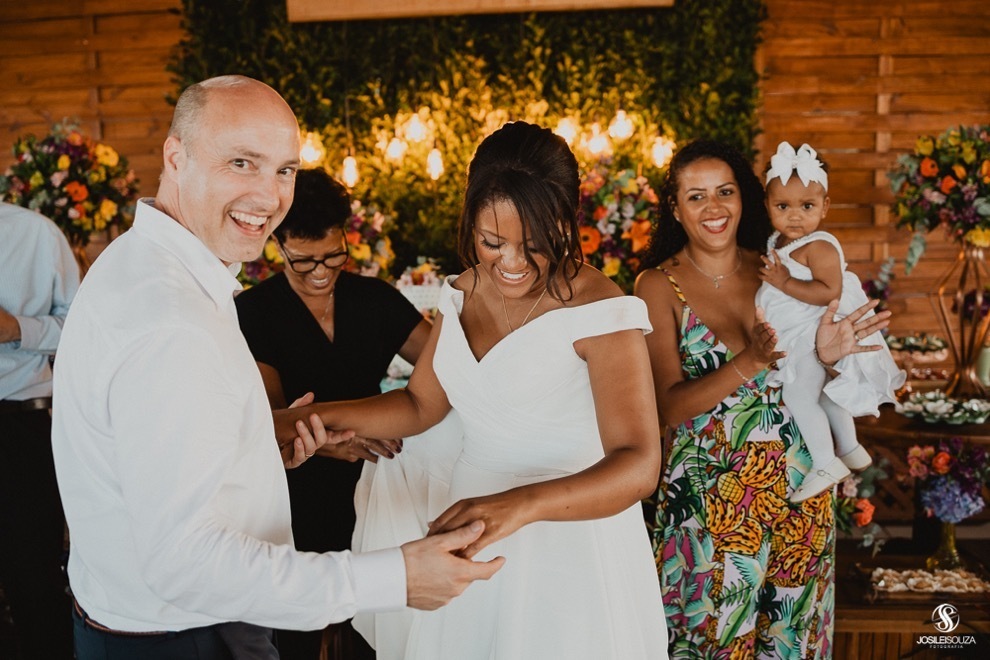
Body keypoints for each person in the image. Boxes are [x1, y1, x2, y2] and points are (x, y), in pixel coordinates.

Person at [50, 74, 502, 660]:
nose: (269, 196)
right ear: (175, 155)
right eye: (242, 162)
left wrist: (254, 449)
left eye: (284, 170)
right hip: (188, 634)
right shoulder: (171, 320)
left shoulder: (139, 264)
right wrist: (395, 579)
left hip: (142, 620)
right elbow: (184, 562)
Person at [277, 120, 669, 659]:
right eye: (491, 242)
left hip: (567, 542)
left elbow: (639, 464)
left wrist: (521, 505)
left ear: (566, 219)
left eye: (533, 244)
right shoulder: (462, 291)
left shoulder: (600, 309)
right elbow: (420, 404)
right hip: (470, 534)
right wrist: (302, 419)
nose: (509, 262)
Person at [634, 139, 891, 658]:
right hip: (712, 503)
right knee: (713, 644)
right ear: (675, 207)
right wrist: (747, 362)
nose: (714, 208)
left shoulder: (780, 268)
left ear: (744, 198)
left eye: (725, 192)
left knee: (794, 643)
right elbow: (666, 407)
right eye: (696, 196)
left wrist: (830, 355)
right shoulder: (657, 286)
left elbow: (814, 372)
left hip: (802, 490)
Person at [235, 167, 431, 660]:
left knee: (376, 626)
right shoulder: (254, 313)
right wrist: (328, 443)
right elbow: (274, 418)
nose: (321, 272)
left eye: (333, 256)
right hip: (297, 487)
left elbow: (445, 366)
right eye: (303, 262)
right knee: (298, 628)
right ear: (278, 246)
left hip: (375, 485)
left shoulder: (376, 299)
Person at [756, 141, 905, 502]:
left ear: (825, 207)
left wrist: (784, 282)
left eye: (806, 206)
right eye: (782, 206)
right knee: (823, 395)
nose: (794, 215)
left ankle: (826, 460)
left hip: (810, 334)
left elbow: (829, 291)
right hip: (796, 333)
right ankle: (851, 447)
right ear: (767, 207)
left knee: (799, 394)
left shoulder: (820, 245)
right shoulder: (778, 241)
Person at [0, 202, 78, 660]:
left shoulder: (36, 235)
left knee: (35, 582)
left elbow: (84, 327)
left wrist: (18, 328)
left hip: (19, 426)